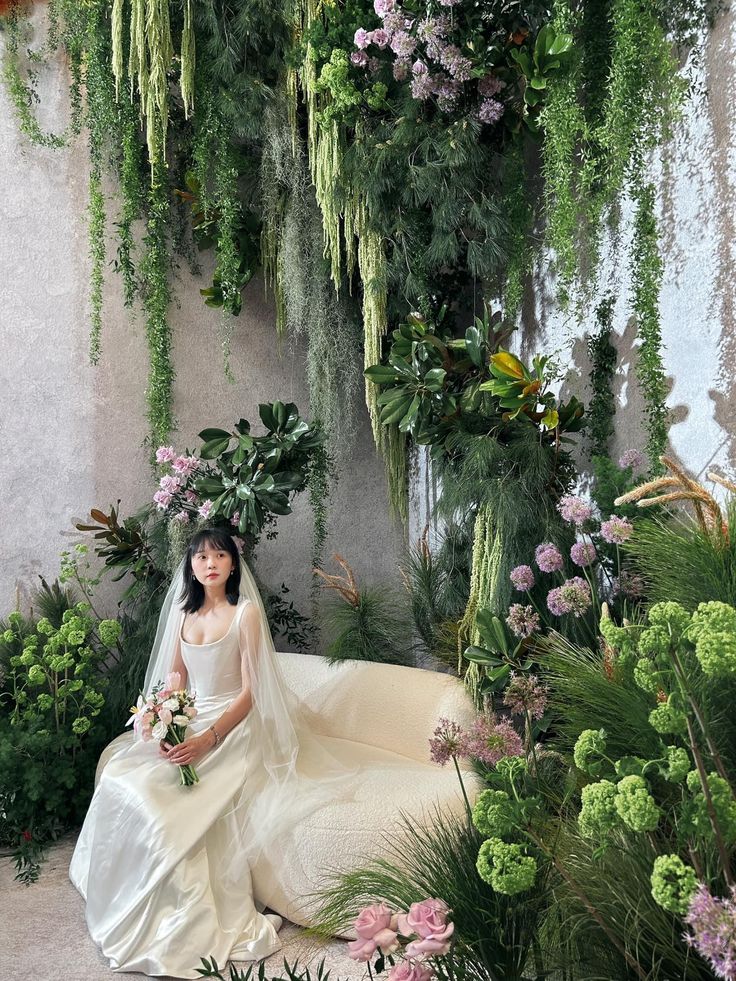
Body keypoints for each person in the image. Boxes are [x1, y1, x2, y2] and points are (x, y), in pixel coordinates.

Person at [70, 527, 358, 978]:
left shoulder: (244, 615)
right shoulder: (184, 613)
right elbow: (176, 677)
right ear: (190, 566)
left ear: (232, 564)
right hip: (190, 716)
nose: (210, 564)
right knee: (123, 777)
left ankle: (180, 919)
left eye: (219, 555)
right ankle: (117, 886)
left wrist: (209, 738)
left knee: (175, 806)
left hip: (232, 725)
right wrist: (165, 717)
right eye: (201, 557)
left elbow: (250, 692)